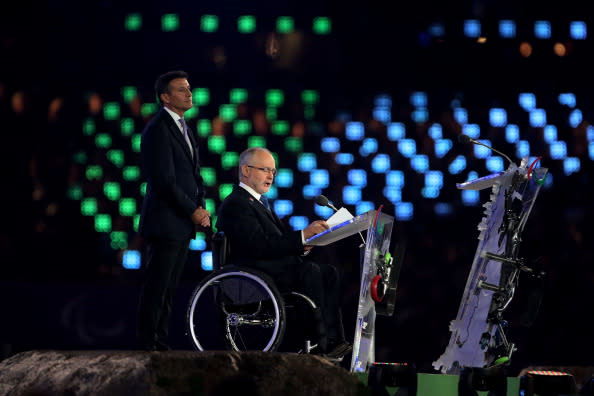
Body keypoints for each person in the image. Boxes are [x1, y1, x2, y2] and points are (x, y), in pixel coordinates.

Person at [216, 147, 351, 358]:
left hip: (269, 268)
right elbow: (257, 245)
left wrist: (305, 243)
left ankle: (335, 339)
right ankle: (320, 341)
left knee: (329, 272)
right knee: (310, 272)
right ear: (245, 170)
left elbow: (274, 243)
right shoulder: (236, 203)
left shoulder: (260, 203)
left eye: (273, 171)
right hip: (252, 275)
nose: (271, 175)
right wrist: (301, 237)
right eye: (265, 169)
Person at [137, 70, 210, 351]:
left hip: (180, 223)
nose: (189, 93)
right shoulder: (157, 130)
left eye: (189, 88)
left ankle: (160, 342)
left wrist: (200, 205)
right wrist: (192, 210)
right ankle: (148, 345)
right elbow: (164, 182)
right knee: (157, 286)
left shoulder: (184, 127)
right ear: (165, 97)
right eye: (181, 89)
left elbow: (193, 173)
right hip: (166, 221)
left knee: (168, 289)